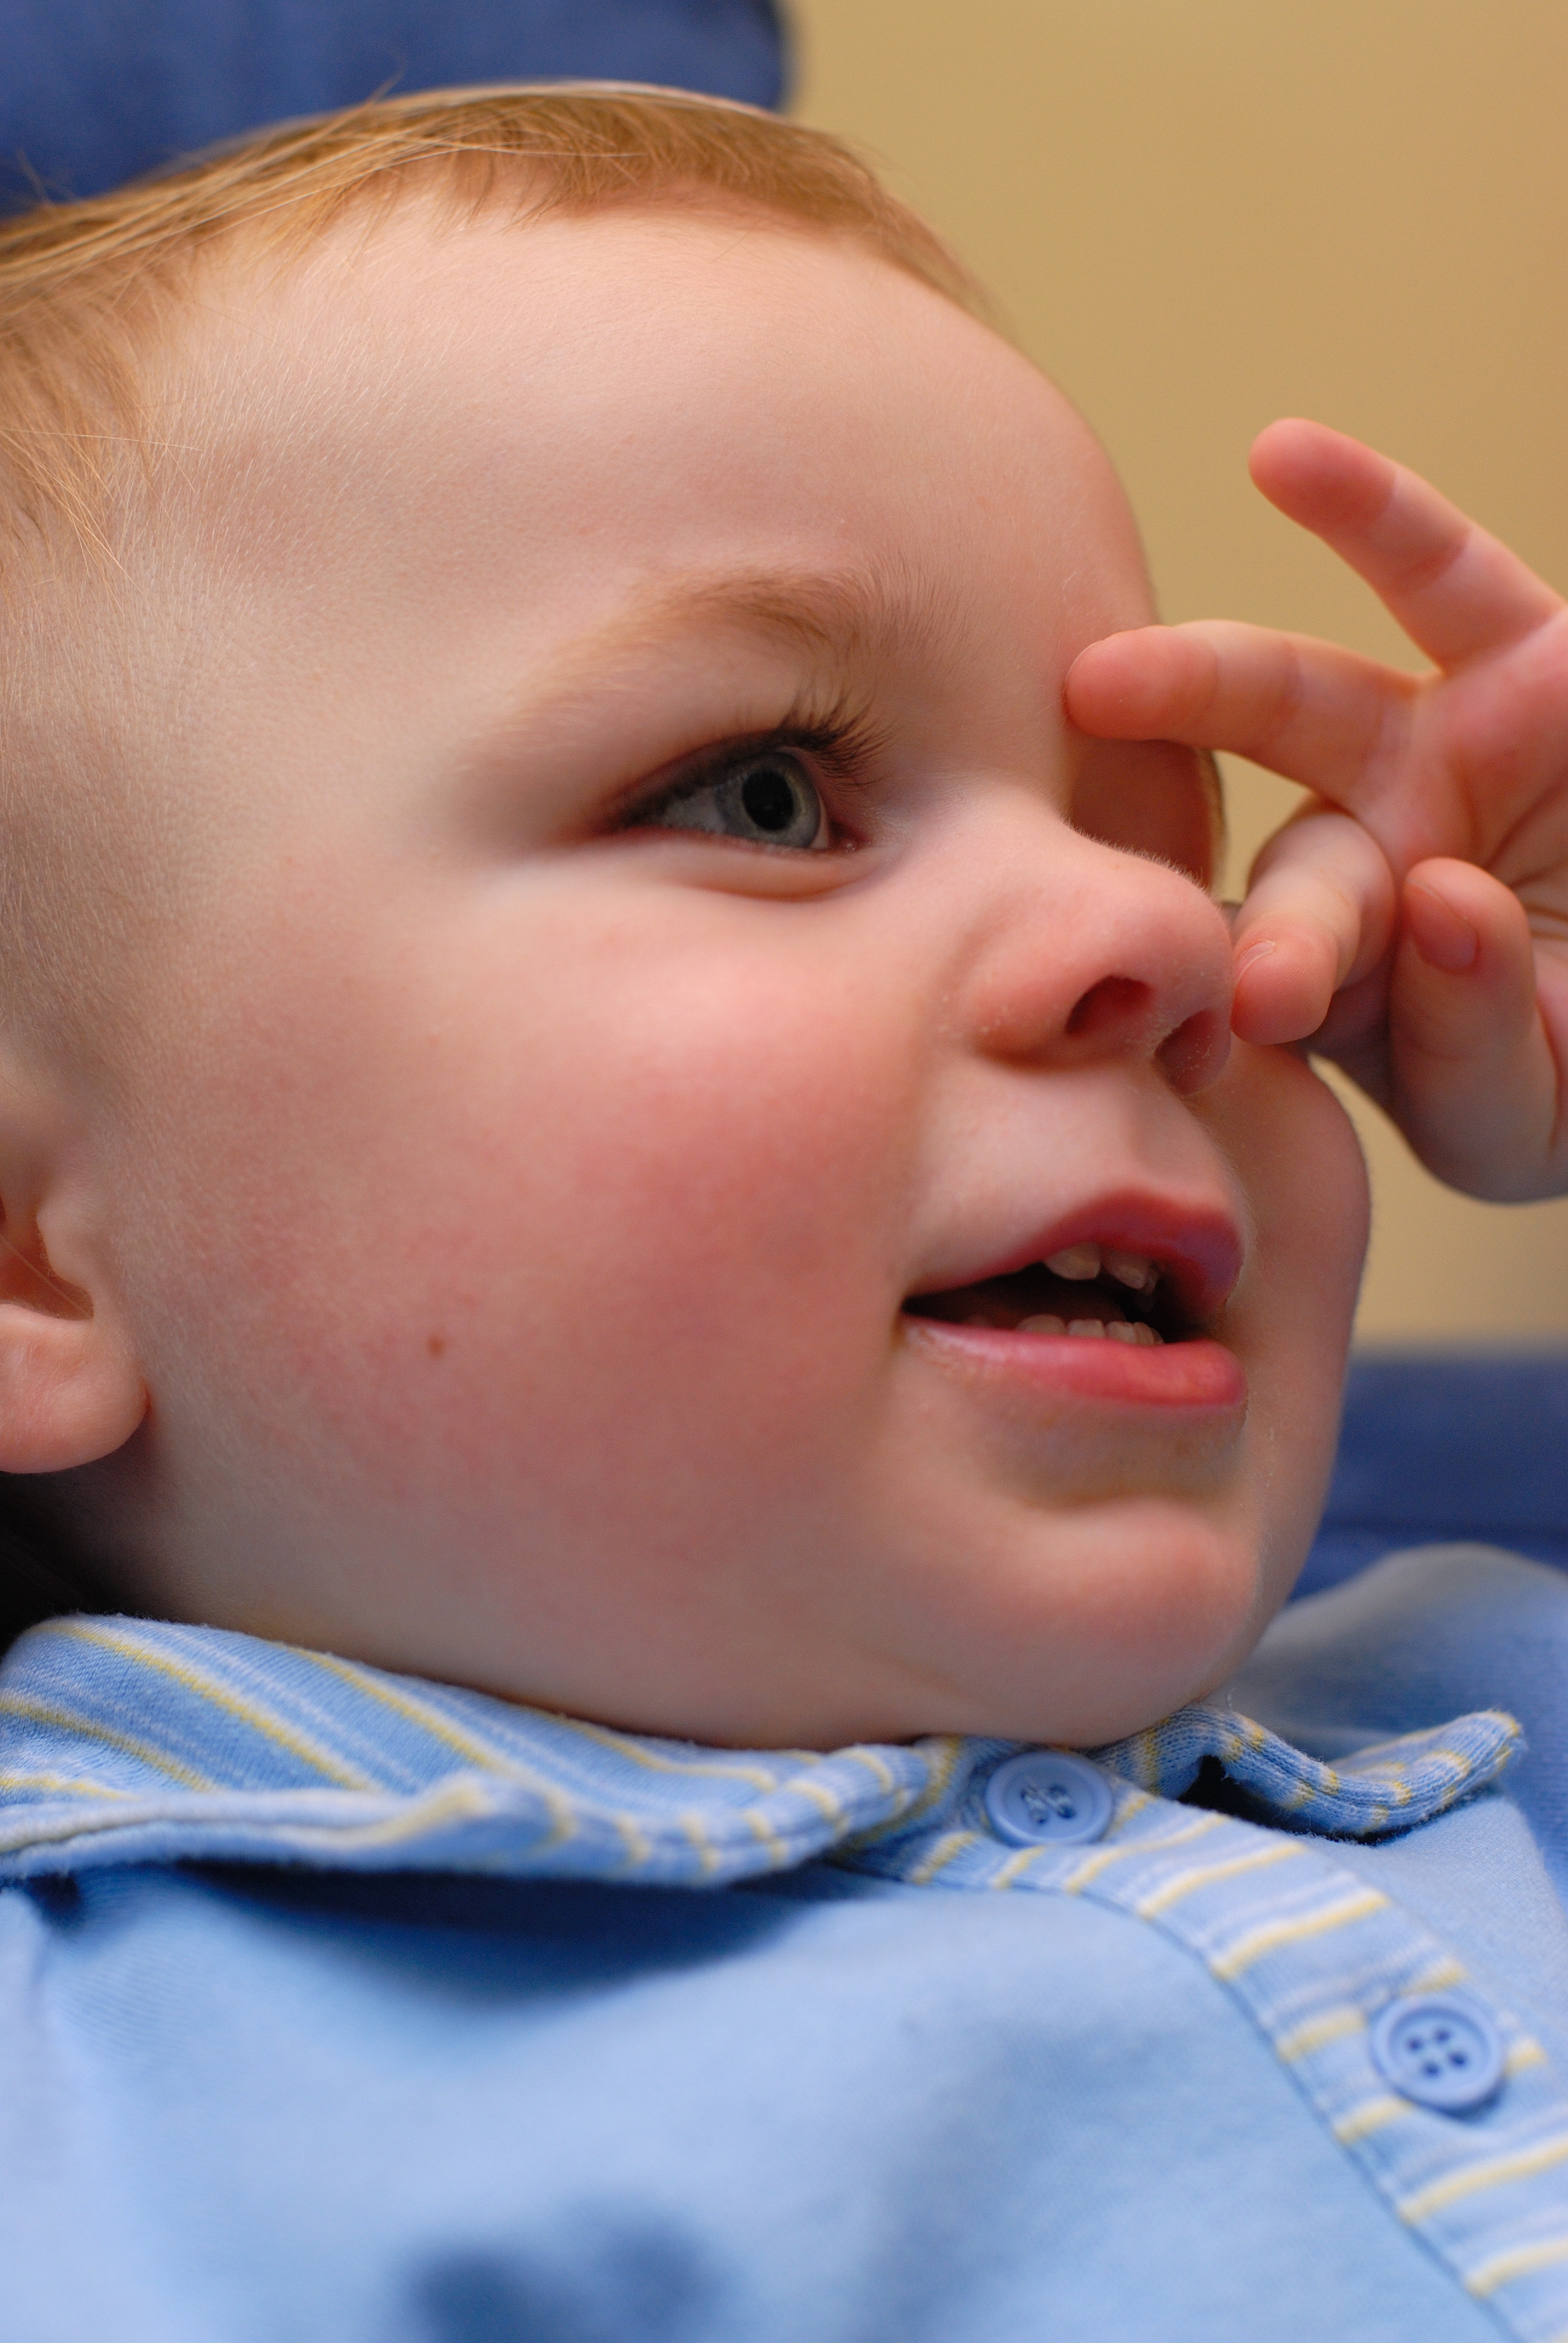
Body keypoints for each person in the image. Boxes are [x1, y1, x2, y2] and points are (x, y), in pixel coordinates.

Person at [0, 84, 1563, 2343]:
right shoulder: (97, 2112)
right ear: (32, 1256)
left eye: (1173, 844)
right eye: (765, 796)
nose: (1176, 942)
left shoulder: (1497, 1702)